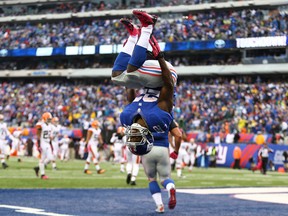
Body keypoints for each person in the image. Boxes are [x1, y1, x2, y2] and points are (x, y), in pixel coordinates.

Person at [113, 10, 177, 213]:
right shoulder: (161, 112)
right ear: (146, 137)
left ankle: (133, 37)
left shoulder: (128, 116)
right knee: (128, 72)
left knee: (118, 76)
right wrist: (160, 58)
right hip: (166, 73)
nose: (132, 136)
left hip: (152, 77)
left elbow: (129, 92)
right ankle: (147, 28)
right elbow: (169, 84)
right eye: (136, 138)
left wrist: (130, 80)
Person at [34, 112, 54, 179]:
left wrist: (51, 141)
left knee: (49, 158)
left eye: (50, 119)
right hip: (42, 143)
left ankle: (38, 168)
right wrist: (38, 144)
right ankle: (42, 175)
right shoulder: (41, 124)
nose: (49, 120)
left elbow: (50, 136)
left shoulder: (50, 126)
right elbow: (38, 132)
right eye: (48, 119)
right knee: (44, 159)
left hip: (47, 143)